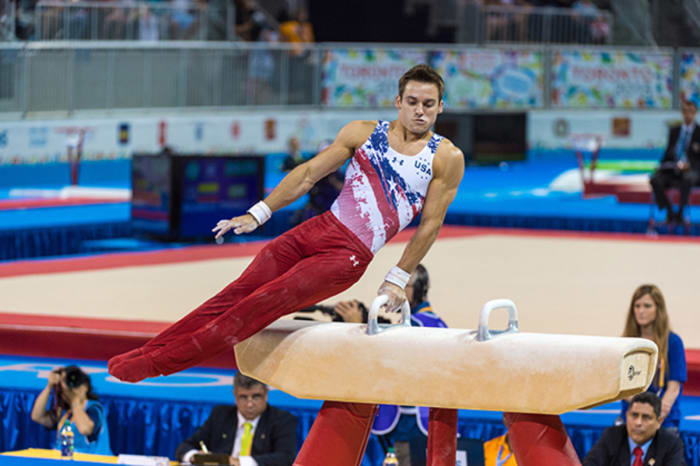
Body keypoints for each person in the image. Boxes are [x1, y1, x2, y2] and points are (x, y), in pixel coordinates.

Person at [108, 63, 465, 383]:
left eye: (429, 104)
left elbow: (430, 224)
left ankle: (154, 366)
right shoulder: (362, 133)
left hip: (347, 256)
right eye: (413, 102)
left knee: (255, 307)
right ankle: (147, 350)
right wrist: (258, 212)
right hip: (317, 229)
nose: (420, 111)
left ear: (440, 108)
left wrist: (397, 278)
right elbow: (308, 174)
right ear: (398, 101)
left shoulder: (445, 157)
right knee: (231, 295)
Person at [371, 264, 448, 464]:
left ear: (417, 289)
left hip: (407, 421)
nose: (397, 292)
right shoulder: (440, 324)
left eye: (403, 286)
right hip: (426, 418)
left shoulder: (414, 325)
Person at [175, 372, 297, 466]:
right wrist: (196, 457)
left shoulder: (283, 420)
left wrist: (239, 462)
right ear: (235, 395)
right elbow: (184, 447)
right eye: (243, 397)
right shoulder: (220, 415)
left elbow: (285, 458)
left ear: (266, 394)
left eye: (256, 397)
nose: (250, 404)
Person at [618, 284, 687, 430]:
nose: (641, 311)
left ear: (658, 309)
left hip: (662, 418)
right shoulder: (625, 342)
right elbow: (620, 386)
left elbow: (673, 389)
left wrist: (655, 415)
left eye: (647, 306)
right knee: (613, 439)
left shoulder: (673, 342)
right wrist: (640, 413)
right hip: (631, 415)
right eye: (637, 306)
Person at [583, 392, 686, 465]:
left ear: (659, 422)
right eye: (634, 415)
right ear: (627, 416)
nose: (638, 423)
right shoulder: (612, 436)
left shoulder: (671, 445)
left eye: (646, 417)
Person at [30, 365, 112, 455]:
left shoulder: (95, 409)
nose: (70, 389)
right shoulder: (66, 411)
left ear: (85, 387)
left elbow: (85, 429)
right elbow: (37, 417)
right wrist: (49, 386)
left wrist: (74, 400)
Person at [650, 98, 700, 223]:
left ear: (695, 113)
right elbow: (667, 152)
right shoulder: (675, 131)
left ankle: (681, 213)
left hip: (692, 171)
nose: (687, 114)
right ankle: (670, 211)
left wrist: (689, 165)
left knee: (687, 179)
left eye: (690, 111)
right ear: (682, 113)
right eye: (685, 111)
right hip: (673, 169)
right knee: (655, 179)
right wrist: (661, 166)